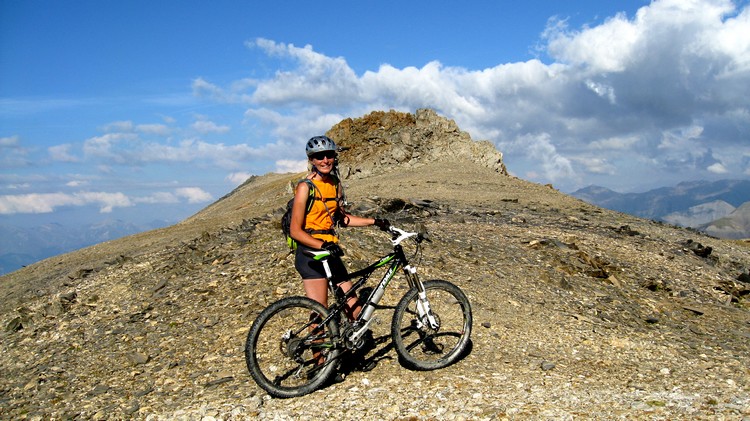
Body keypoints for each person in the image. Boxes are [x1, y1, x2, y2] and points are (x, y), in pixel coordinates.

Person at [289, 135, 389, 320]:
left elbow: (343, 219)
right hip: (310, 253)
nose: (325, 160)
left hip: (330, 249)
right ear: (311, 160)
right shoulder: (305, 187)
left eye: (329, 155)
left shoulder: (335, 185)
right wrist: (322, 246)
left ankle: (345, 346)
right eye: (319, 156)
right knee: (320, 311)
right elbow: (295, 231)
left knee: (354, 309)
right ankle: (317, 350)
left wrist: (374, 222)